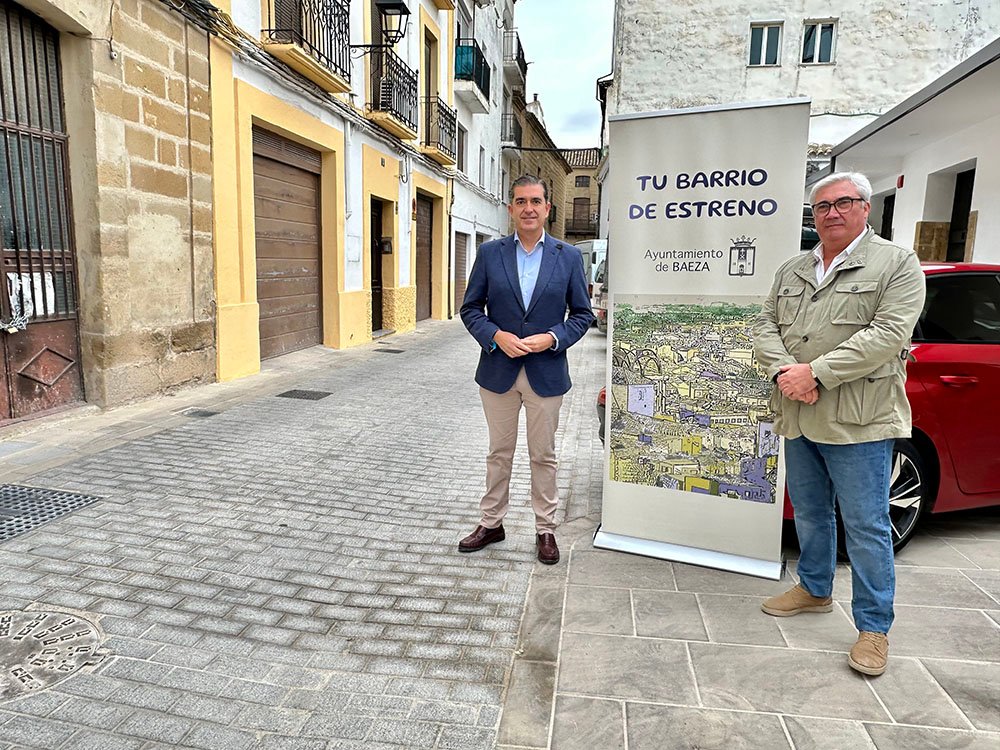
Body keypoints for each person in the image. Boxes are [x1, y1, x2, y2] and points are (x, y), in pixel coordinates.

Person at [753, 171, 925, 676]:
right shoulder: (793, 269)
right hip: (799, 411)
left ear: (865, 208)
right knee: (809, 511)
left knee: (867, 524)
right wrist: (788, 373)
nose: (831, 212)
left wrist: (816, 374)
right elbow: (765, 324)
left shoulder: (897, 264)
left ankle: (874, 628)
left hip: (859, 420)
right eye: (822, 206)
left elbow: (889, 334)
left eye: (843, 202)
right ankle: (814, 588)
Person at [459, 175, 595, 564]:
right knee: (498, 452)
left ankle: (545, 529)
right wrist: (495, 335)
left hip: (545, 372)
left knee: (543, 455)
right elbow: (471, 309)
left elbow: (582, 315)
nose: (529, 208)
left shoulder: (567, 256)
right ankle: (491, 522)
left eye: (536, 201)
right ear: (511, 208)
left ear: (548, 208)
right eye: (521, 201)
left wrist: (552, 338)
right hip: (498, 370)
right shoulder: (490, 254)